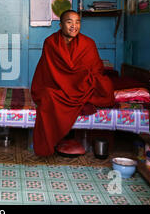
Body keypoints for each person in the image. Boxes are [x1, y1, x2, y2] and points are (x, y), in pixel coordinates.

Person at [30, 10, 115, 156]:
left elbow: (96, 70)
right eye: (69, 22)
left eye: (77, 22)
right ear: (61, 24)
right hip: (56, 85)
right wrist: (66, 84)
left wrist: (81, 81)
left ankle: (67, 139)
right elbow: (48, 71)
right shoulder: (51, 42)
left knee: (105, 88)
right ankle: (55, 141)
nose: (73, 26)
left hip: (81, 87)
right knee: (47, 96)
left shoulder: (88, 43)